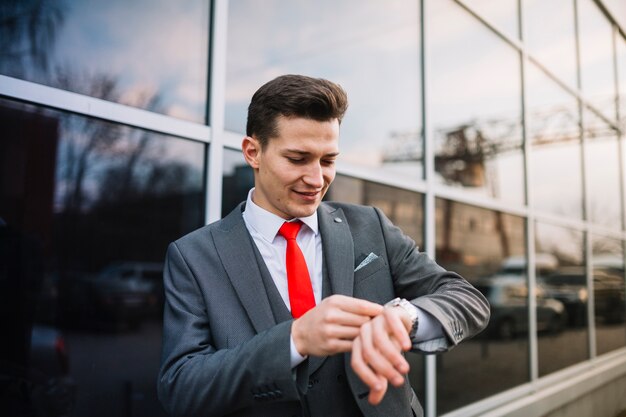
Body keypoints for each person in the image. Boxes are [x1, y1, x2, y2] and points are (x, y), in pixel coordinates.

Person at [157, 74, 489, 417]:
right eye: (298, 159)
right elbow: (181, 386)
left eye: (328, 160)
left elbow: (467, 299)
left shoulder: (371, 226)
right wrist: (295, 340)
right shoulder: (194, 256)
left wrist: (405, 317)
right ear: (253, 153)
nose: (317, 180)